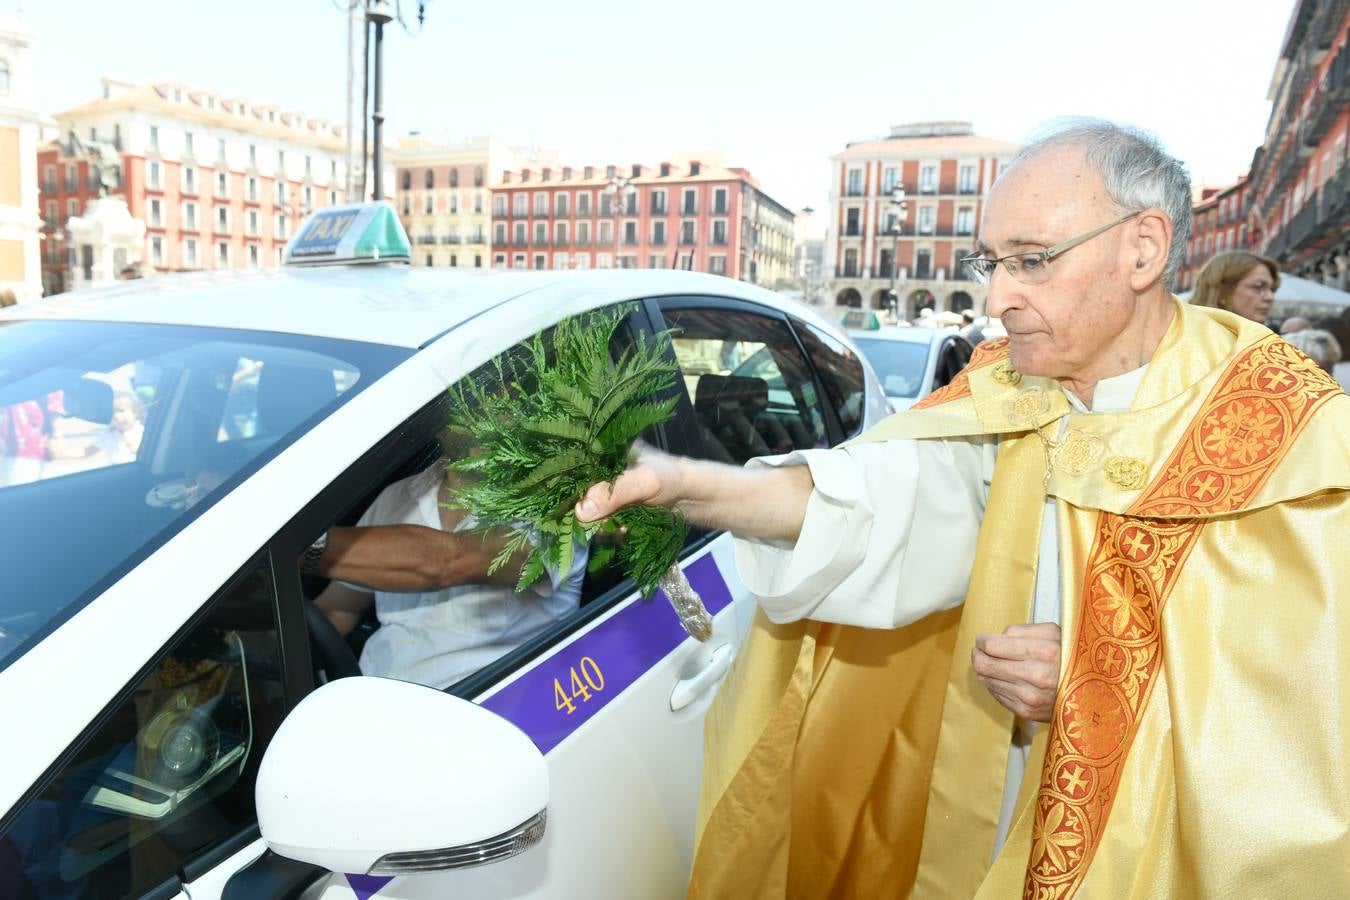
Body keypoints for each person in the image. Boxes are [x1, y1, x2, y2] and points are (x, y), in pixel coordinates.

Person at [577, 119, 1350, 897]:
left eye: (1031, 261)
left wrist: (1097, 685)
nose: (997, 297)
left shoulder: (1285, 425)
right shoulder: (1007, 392)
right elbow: (873, 501)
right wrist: (686, 484)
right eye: (991, 262)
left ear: (1143, 249)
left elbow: (1308, 706)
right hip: (1008, 799)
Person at [313, 460, 586, 689]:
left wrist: (305, 550)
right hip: (366, 707)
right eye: (471, 399)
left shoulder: (552, 505)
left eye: (498, 394)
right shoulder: (397, 497)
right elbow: (339, 609)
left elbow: (450, 561)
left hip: (478, 717)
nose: (486, 405)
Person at [1189, 249, 1281, 324]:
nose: (1270, 297)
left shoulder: (1265, 342)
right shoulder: (1188, 339)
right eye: (1258, 287)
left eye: (1272, 289)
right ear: (1222, 291)